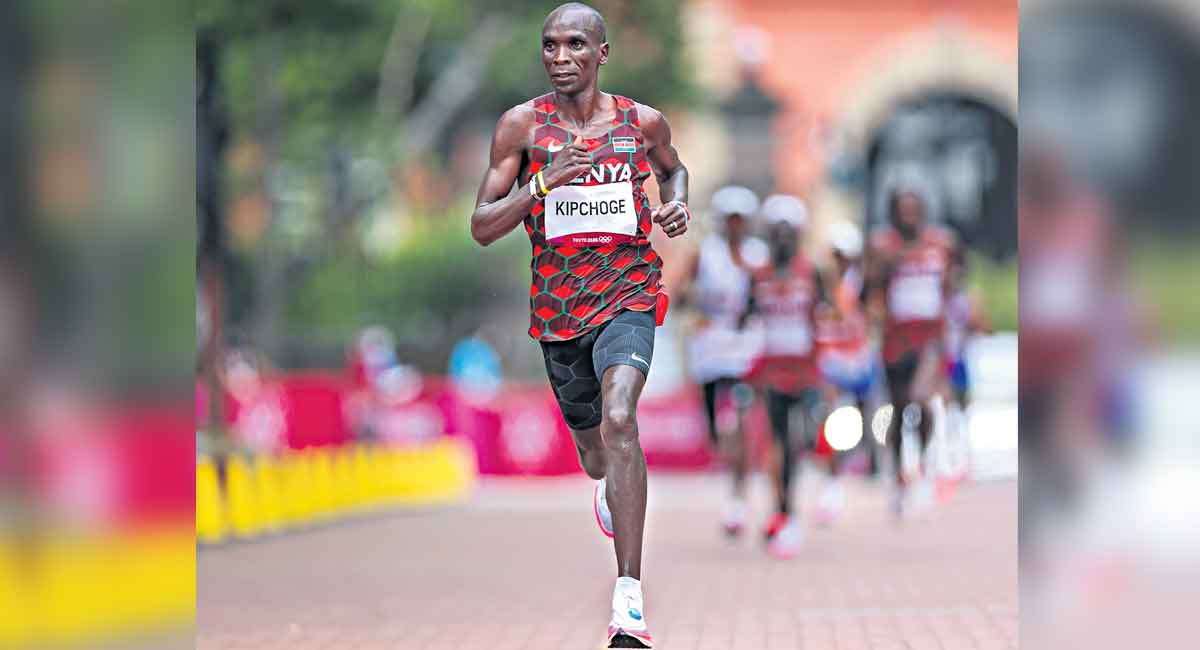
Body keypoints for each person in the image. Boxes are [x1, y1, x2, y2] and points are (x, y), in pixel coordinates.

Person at [469, 4, 690, 647]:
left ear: (601, 53)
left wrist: (675, 206)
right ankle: (606, 485)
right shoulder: (521, 127)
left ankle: (629, 604)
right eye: (550, 45)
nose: (560, 56)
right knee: (595, 450)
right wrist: (539, 189)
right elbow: (481, 226)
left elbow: (674, 170)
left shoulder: (640, 122)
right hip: (560, 313)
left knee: (622, 417)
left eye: (575, 45)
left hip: (630, 294)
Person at [864, 187, 958, 520]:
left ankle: (925, 467)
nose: (908, 217)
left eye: (913, 210)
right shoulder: (882, 246)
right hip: (895, 339)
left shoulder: (941, 243)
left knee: (921, 399)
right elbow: (870, 288)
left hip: (929, 336)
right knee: (900, 408)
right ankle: (899, 477)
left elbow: (952, 282)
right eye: (901, 211)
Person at [740, 194, 825, 557]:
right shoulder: (758, 275)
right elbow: (745, 316)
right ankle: (783, 510)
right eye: (777, 233)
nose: (784, 239)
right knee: (778, 443)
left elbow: (827, 312)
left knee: (802, 438)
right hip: (772, 370)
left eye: (790, 233)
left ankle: (790, 504)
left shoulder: (812, 272)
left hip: (805, 368)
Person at [681, 185, 767, 538]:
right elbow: (682, 292)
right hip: (711, 349)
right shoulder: (705, 254)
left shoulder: (758, 255)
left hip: (746, 347)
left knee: (740, 421)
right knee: (719, 429)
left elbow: (769, 293)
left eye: (740, 220)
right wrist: (695, 301)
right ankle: (730, 467)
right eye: (729, 220)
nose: (735, 226)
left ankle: (738, 497)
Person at [812, 220, 874, 521]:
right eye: (836, 255)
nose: (840, 261)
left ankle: (858, 463)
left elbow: (873, 317)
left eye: (844, 255)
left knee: (859, 422)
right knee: (830, 420)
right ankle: (831, 483)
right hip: (829, 363)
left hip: (857, 363)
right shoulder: (819, 284)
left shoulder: (862, 286)